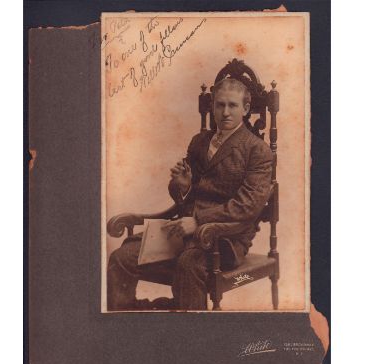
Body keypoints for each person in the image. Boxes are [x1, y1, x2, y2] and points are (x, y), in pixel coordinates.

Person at [107, 78, 273, 311]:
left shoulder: (257, 150)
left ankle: (191, 336)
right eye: (219, 105)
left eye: (232, 106)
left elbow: (248, 206)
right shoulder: (199, 142)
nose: (225, 112)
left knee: (189, 264)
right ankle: (127, 325)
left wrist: (198, 221)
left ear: (245, 109)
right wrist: (181, 186)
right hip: (183, 231)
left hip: (227, 237)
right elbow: (183, 198)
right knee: (121, 258)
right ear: (213, 106)